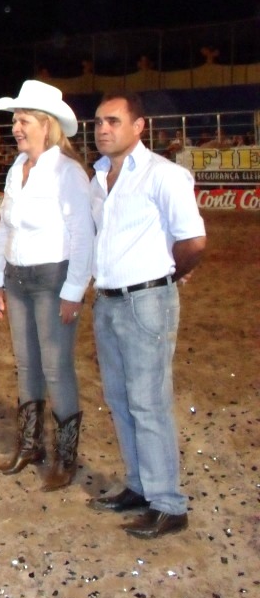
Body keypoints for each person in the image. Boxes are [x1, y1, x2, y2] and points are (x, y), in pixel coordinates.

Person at [87, 91, 206, 540]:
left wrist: (167, 278)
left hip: (146, 301)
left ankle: (169, 503)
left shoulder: (165, 175)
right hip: (108, 300)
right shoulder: (99, 178)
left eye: (113, 121)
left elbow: (194, 240)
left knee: (148, 403)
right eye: (99, 121)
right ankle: (139, 486)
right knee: (120, 399)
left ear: (139, 127)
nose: (103, 129)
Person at [0, 80, 94, 490]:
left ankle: (65, 458)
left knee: (56, 367)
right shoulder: (17, 169)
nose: (15, 127)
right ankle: (30, 445)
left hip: (52, 280)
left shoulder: (68, 172)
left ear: (46, 125)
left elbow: (83, 236)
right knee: (28, 364)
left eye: (23, 120)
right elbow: (5, 226)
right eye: (15, 120)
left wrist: (73, 290)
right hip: (17, 278)